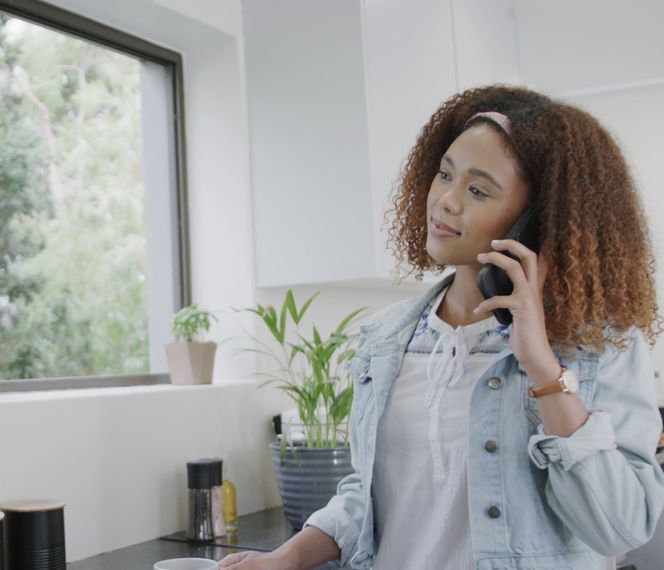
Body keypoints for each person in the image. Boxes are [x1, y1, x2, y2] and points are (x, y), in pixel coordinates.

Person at [218, 85, 664, 569]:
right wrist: (287, 557)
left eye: (477, 189)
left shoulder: (601, 345)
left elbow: (622, 525)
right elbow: (371, 495)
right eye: (444, 174)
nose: (445, 201)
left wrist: (542, 367)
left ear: (536, 221)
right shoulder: (387, 339)